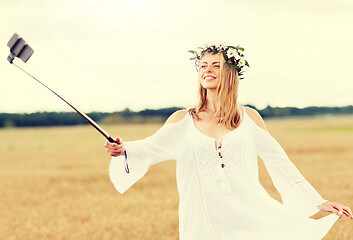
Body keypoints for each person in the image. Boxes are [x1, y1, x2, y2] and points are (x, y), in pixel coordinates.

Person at [105, 43, 352, 240]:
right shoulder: (182, 120)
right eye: (203, 65)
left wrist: (318, 202)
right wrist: (122, 149)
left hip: (249, 217)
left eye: (215, 65)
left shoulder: (250, 117)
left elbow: (279, 163)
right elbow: (148, 149)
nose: (207, 70)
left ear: (231, 72)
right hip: (202, 220)